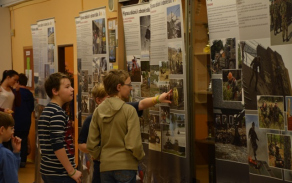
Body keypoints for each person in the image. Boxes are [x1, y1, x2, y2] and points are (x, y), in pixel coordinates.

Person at [78, 83, 171, 183]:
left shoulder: (124, 108)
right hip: (102, 166)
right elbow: (81, 144)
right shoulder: (92, 118)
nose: (112, 100)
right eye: (108, 98)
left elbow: (141, 104)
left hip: (119, 165)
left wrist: (158, 99)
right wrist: (99, 152)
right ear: (98, 100)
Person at [86, 70, 143, 182]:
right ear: (119, 87)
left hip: (105, 167)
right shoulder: (129, 111)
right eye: (129, 85)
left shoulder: (98, 111)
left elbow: (91, 144)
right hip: (126, 165)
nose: (131, 88)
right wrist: (139, 157)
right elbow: (134, 144)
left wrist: (102, 157)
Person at [38, 72, 82, 183]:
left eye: (71, 86)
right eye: (67, 87)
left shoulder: (47, 110)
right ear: (55, 91)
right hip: (60, 173)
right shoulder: (57, 113)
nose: (72, 89)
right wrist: (71, 171)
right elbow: (57, 145)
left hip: (49, 171)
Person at [13, 74, 34, 168]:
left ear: (18, 82)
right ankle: (23, 161)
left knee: (14, 140)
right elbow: (31, 108)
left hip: (15, 120)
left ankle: (15, 160)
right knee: (24, 139)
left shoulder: (14, 92)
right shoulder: (29, 94)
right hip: (26, 120)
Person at [0, 70, 21, 150]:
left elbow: (18, 104)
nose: (15, 82)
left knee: (9, 140)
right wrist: (3, 110)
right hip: (1, 118)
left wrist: (17, 91)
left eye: (17, 80)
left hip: (9, 118)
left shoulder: (12, 90)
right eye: (14, 80)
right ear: (8, 77)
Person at [0, 111, 22, 183]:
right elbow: (12, 179)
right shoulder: (6, 154)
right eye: (11, 128)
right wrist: (15, 154)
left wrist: (16, 152)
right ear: (2, 130)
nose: (13, 132)